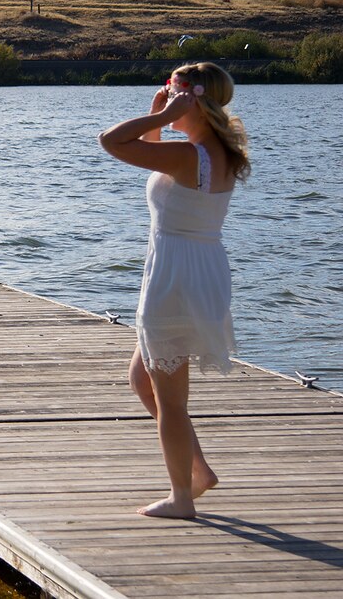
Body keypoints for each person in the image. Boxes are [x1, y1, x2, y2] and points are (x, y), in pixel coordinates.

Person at [98, 62, 251, 518]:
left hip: (175, 278)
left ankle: (182, 498)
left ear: (196, 104)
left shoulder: (190, 156)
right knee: (142, 378)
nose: (167, 101)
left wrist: (160, 121)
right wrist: (159, 118)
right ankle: (198, 471)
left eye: (175, 96)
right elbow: (155, 166)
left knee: (170, 400)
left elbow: (109, 141)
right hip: (198, 269)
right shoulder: (211, 153)